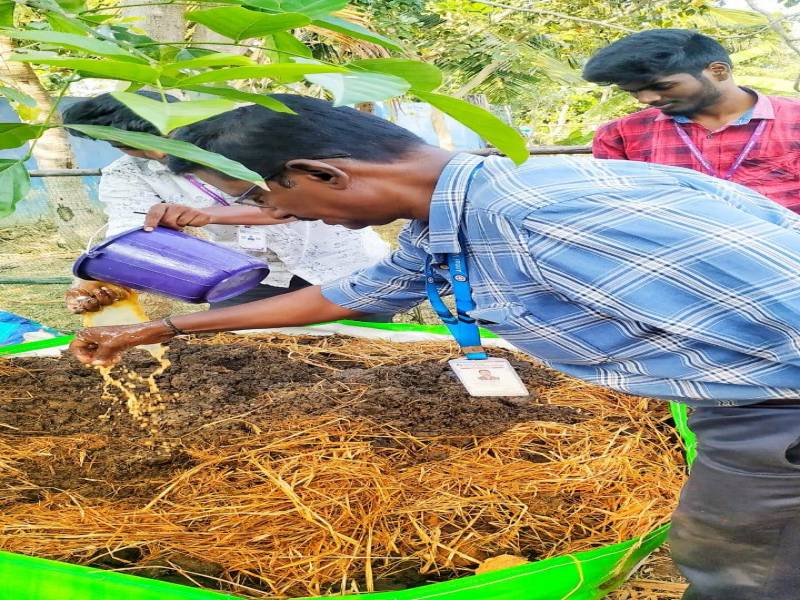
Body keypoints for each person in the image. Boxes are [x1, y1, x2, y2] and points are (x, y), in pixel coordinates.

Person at [70, 94, 800, 600]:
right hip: (743, 401)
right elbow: (353, 294)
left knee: (742, 570)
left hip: (776, 412)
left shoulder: (539, 218)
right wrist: (163, 328)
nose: (277, 213)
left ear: (325, 174)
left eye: (268, 196)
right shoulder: (466, 210)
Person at [60, 92, 391, 315]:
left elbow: (300, 207)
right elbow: (130, 234)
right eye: (132, 146)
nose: (158, 153)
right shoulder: (128, 175)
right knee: (247, 357)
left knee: (365, 349)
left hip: (341, 264)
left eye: (163, 137)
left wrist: (208, 215)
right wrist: (95, 282)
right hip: (249, 277)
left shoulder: (245, 143)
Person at [583, 29, 800, 211]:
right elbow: (622, 206)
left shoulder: (794, 118)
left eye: (663, 86)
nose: (645, 99)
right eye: (633, 91)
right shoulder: (618, 135)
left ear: (718, 71)